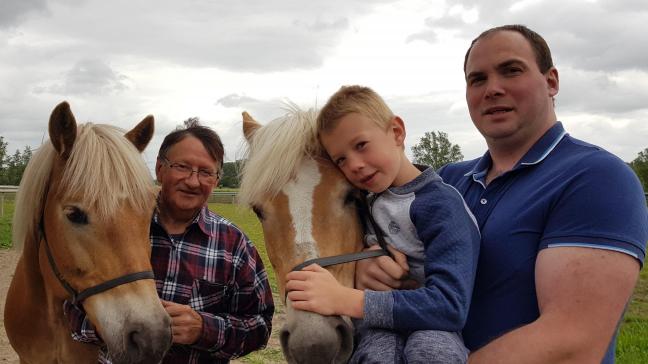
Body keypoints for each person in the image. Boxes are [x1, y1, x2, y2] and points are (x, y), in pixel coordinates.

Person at [355, 25, 648, 363]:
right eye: (477, 79)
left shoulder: (597, 178)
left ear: (551, 81)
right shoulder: (446, 181)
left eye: (511, 70)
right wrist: (370, 268)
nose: (492, 89)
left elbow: (571, 342)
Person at [285, 85, 481, 363]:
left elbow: (450, 307)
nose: (354, 165)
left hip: (433, 324)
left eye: (361, 145)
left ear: (397, 133)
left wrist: (348, 299)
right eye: (341, 159)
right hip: (378, 324)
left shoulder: (441, 205)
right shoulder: (365, 201)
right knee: (376, 352)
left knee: (430, 350)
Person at [64, 119, 274, 363]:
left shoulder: (234, 244)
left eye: (206, 172)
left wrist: (203, 329)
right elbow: (71, 308)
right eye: (182, 166)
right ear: (159, 169)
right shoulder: (114, 230)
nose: (193, 181)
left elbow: (260, 327)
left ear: (216, 181)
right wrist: (109, 328)